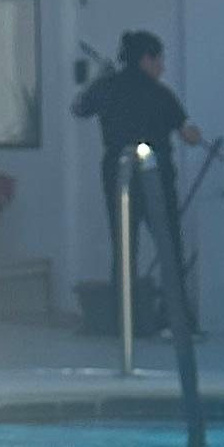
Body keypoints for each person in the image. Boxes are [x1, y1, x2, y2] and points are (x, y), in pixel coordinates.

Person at [72, 29, 198, 326]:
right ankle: (177, 319)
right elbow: (189, 135)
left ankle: (124, 322)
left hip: (118, 174)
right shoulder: (160, 93)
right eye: (159, 60)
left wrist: (98, 79)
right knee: (169, 246)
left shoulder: (106, 88)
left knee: (124, 248)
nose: (162, 67)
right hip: (156, 175)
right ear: (145, 59)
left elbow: (79, 107)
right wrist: (196, 134)